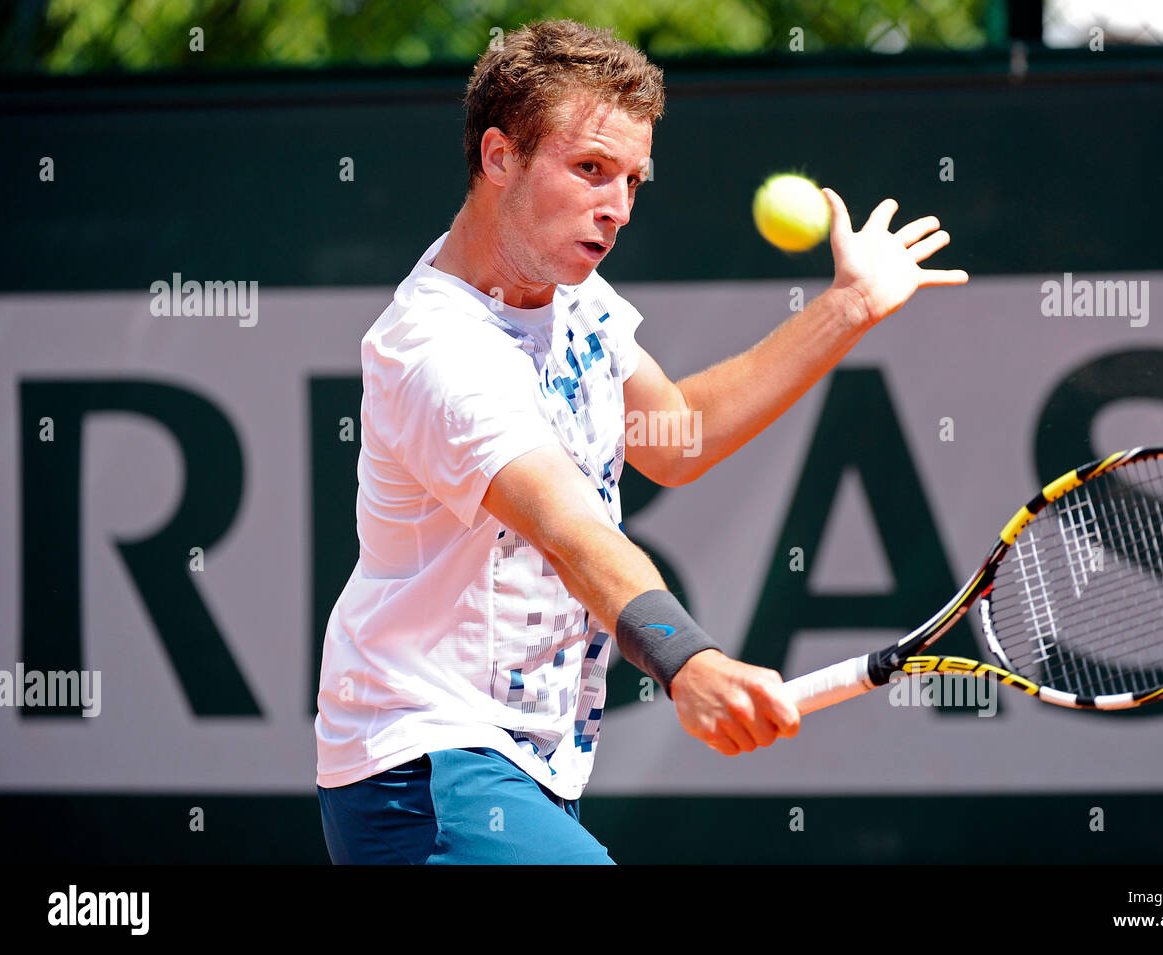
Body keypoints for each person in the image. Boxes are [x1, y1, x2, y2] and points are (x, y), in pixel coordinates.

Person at [314, 18, 967, 865]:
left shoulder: (572, 296)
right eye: (589, 169)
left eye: (632, 180)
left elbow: (677, 436)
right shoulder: (438, 350)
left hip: (524, 768)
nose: (616, 207)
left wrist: (846, 307)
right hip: (423, 764)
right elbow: (568, 526)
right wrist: (685, 660)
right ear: (499, 155)